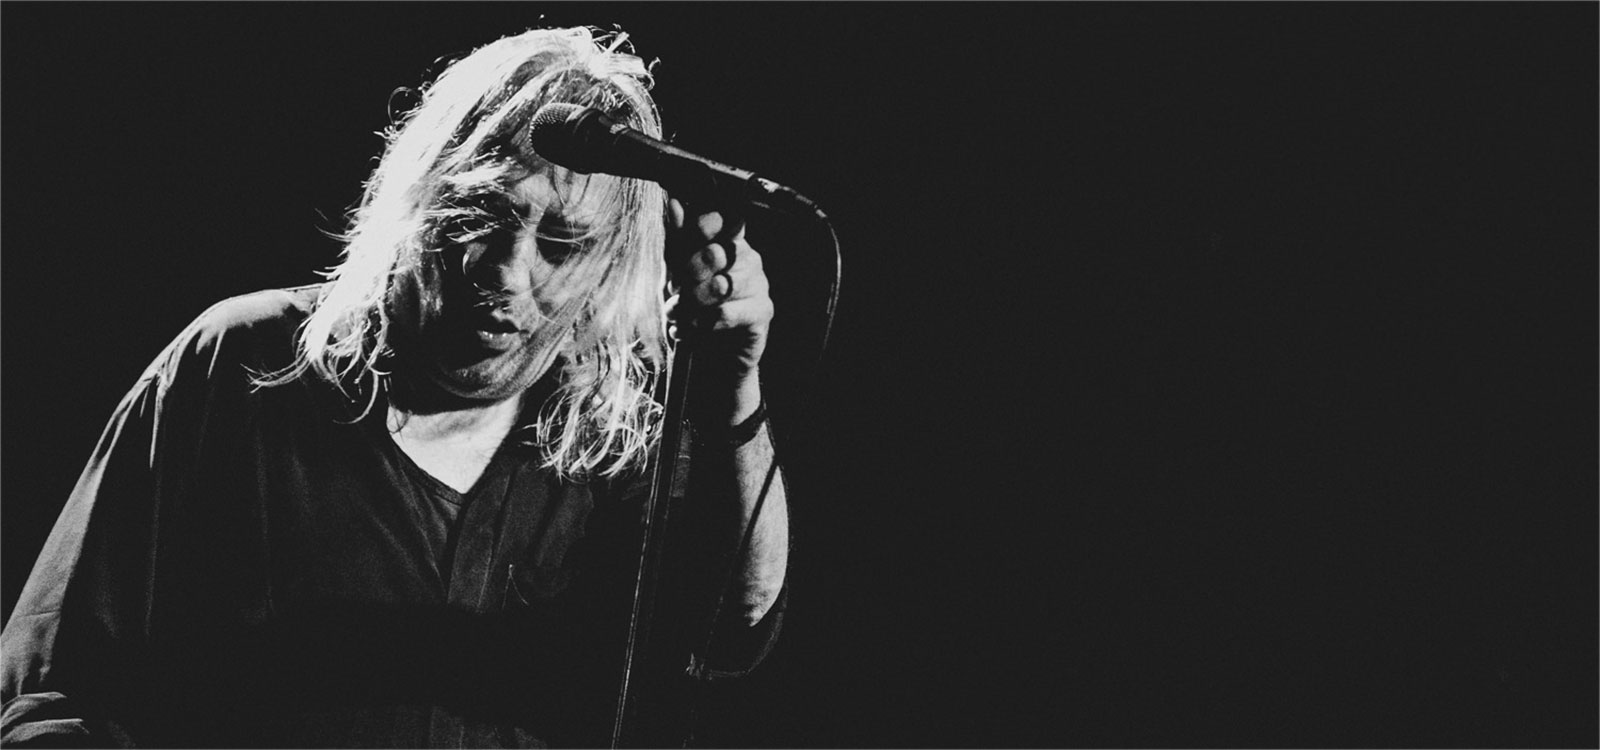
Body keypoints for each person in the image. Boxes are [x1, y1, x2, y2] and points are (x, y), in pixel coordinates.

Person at [1, 26, 788, 748]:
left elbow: (730, 629)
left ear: (612, 264)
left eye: (562, 243)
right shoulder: (238, 366)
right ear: (418, 199)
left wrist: (733, 389)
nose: (508, 272)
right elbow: (52, 691)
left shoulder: (620, 442)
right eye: (481, 217)